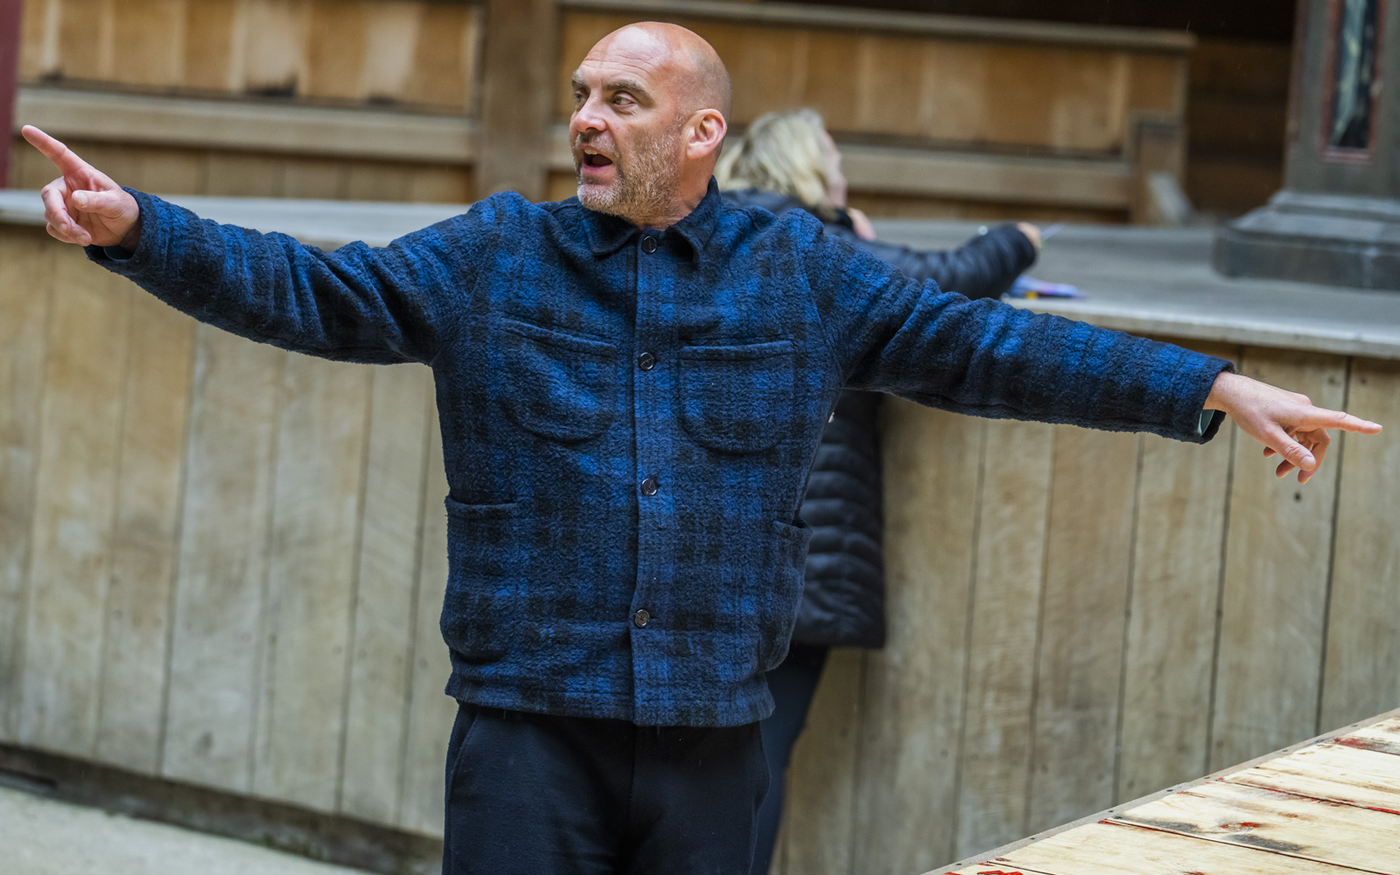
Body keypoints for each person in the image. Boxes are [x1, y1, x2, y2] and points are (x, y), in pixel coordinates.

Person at [22, 21, 1379, 875]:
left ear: (702, 132)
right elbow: (320, 291)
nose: (587, 119)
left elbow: (990, 348)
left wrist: (1202, 382)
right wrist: (146, 229)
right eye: (580, 93)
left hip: (715, 743)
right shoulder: (499, 254)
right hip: (526, 735)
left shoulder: (800, 267)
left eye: (622, 97)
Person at [715, 108, 1038, 875]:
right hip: (796, 548)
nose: (842, 171)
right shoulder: (822, 246)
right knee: (755, 763)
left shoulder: (705, 234)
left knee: (689, 759)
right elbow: (949, 283)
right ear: (807, 170)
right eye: (833, 159)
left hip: (692, 541)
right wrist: (1021, 239)